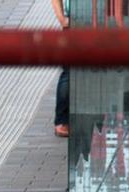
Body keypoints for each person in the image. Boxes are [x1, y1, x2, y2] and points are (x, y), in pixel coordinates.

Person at [52, 0, 71, 137]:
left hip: (101, 19)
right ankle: (62, 120)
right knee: (69, 71)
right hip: (76, 20)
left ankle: (62, 120)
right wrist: (62, 19)